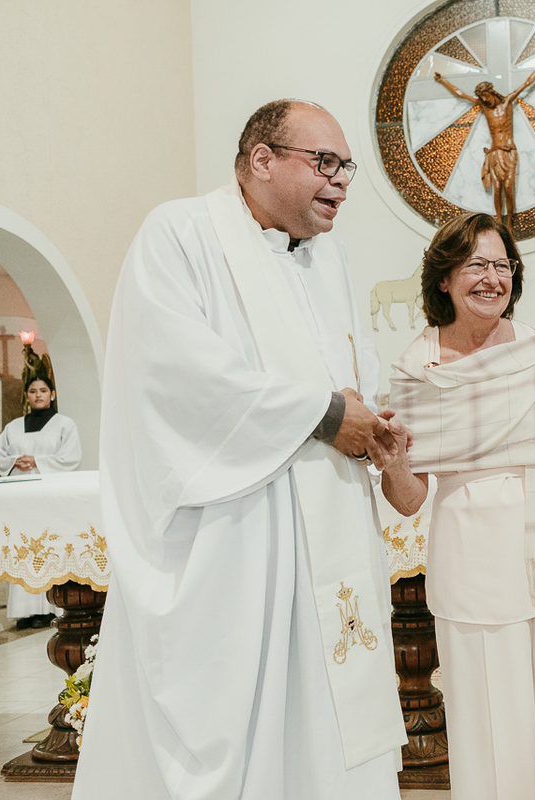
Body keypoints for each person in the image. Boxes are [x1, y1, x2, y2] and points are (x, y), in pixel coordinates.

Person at [73, 99, 407, 799]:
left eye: (347, 168)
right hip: (238, 541)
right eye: (325, 162)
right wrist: (326, 415)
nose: (342, 181)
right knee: (244, 728)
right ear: (262, 160)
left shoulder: (331, 258)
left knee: (325, 728)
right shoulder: (181, 234)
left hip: (329, 531)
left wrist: (370, 422)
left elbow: (354, 368)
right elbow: (178, 378)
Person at [382, 212, 535, 800]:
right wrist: (392, 460)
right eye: (476, 266)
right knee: (488, 721)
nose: (492, 279)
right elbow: (409, 500)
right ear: (444, 278)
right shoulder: (416, 369)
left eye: (502, 265)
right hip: (468, 562)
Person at [0, 374, 80, 628]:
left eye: (43, 390)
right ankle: (24, 611)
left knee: (46, 545)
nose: (38, 395)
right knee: (21, 546)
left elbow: (71, 457)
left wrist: (37, 461)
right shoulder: (14, 426)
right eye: (32, 391)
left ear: (52, 394)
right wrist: (14, 461)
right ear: (26, 396)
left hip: (49, 495)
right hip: (20, 494)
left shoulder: (64, 425)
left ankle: (48, 609)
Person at [434, 53, 535, 230]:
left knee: (509, 188)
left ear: (491, 92)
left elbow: (527, 83)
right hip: (495, 152)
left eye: (485, 96)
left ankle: (510, 220)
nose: (484, 100)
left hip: (509, 152)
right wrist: (443, 80)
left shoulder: (507, 102)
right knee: (497, 188)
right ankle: (498, 219)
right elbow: (461, 94)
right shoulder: (484, 107)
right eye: (481, 97)